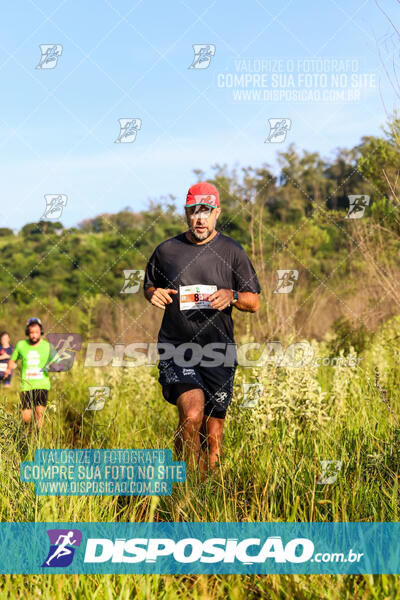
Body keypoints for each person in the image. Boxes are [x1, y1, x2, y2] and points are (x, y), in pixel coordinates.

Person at [144, 181, 261, 474]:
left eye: (206, 211)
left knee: (213, 436)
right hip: (177, 347)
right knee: (192, 414)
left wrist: (232, 296)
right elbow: (149, 285)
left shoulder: (232, 251)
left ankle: (207, 492)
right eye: (194, 211)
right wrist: (151, 294)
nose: (200, 218)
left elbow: (254, 301)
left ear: (217, 213)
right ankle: (184, 490)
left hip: (218, 352)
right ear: (186, 213)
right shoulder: (167, 251)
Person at [4, 317, 58, 428]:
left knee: (39, 414)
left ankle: (37, 438)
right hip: (26, 386)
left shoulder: (47, 346)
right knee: (26, 417)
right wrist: (8, 370)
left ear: (41, 332)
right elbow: (12, 360)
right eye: (31, 332)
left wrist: (55, 366)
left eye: (36, 332)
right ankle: (28, 435)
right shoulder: (21, 345)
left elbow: (57, 361)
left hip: (42, 385)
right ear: (27, 332)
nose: (34, 335)